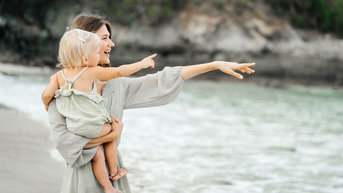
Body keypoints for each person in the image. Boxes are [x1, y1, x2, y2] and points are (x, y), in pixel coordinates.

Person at [47, 13, 255, 193]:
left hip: (114, 177)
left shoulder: (117, 85)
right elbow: (64, 144)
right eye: (105, 38)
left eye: (110, 38)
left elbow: (163, 80)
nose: (111, 44)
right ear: (83, 44)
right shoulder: (63, 90)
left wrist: (214, 65)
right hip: (80, 178)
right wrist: (112, 135)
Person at [42, 28, 157, 193]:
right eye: (97, 52)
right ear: (85, 58)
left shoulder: (58, 76)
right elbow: (118, 71)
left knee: (97, 155)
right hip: (93, 125)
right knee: (111, 132)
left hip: (75, 128)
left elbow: (46, 94)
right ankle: (114, 171)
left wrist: (47, 105)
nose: (99, 56)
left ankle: (107, 187)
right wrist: (142, 64)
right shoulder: (90, 71)